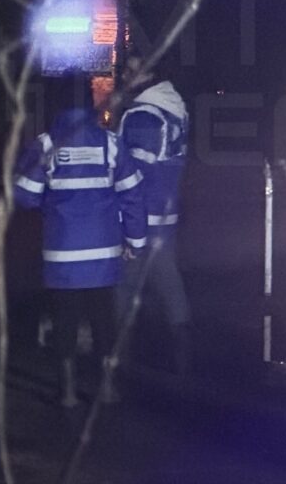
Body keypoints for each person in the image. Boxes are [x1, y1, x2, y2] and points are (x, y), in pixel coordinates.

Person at [14, 73, 146, 407]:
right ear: (90, 103)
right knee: (104, 322)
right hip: (103, 257)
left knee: (65, 323)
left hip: (62, 258)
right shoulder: (110, 143)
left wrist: (50, 202)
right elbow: (132, 194)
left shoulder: (47, 144)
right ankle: (106, 389)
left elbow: (25, 195)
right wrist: (136, 241)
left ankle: (69, 393)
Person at [118, 70, 192, 375]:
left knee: (124, 288)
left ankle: (120, 362)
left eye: (132, 68)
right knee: (169, 282)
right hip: (166, 214)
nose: (125, 74)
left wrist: (127, 226)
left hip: (140, 217)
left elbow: (132, 177)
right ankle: (184, 358)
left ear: (148, 74)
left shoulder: (142, 116)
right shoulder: (175, 109)